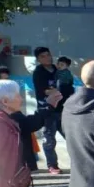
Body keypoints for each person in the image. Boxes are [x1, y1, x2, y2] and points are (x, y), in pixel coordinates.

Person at [31, 46, 62, 174]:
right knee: (49, 138)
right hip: (47, 109)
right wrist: (58, 91)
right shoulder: (38, 72)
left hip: (62, 108)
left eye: (48, 54)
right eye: (42, 56)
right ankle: (52, 165)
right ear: (38, 59)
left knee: (71, 135)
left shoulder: (57, 69)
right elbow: (44, 90)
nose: (47, 58)